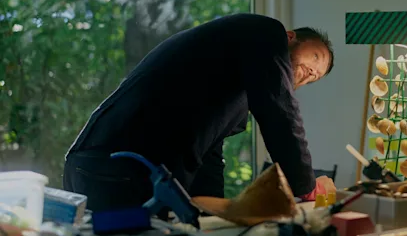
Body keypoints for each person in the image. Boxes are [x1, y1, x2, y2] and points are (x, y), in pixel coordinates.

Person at [63, 13, 336, 212]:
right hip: (115, 164)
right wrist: (305, 184)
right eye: (315, 58)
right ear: (289, 37)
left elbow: (209, 152)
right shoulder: (266, 32)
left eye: (316, 76)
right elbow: (281, 114)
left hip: (126, 173)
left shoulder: (233, 88)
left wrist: (211, 211)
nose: (311, 72)